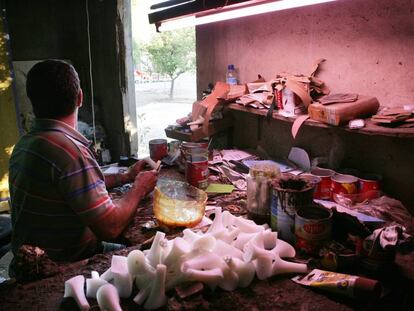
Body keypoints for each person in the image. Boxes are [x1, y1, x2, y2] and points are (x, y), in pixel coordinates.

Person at [8, 59, 158, 264]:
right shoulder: (70, 152)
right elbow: (110, 228)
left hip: (31, 258)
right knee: (152, 252)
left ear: (32, 99)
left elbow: (73, 186)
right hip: (65, 263)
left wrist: (126, 176)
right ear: (80, 98)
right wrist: (139, 188)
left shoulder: (27, 142)